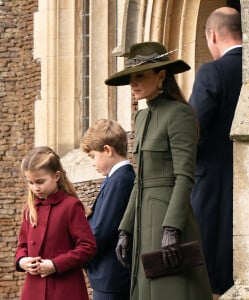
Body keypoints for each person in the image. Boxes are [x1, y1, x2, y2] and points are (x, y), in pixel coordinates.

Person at [105, 41, 212, 300]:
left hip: (167, 218)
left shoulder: (179, 114)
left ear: (161, 75)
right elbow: (140, 180)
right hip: (144, 219)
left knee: (170, 291)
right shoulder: (141, 118)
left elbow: (184, 176)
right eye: (131, 77)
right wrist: (125, 229)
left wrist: (172, 227)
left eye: (140, 75)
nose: (133, 83)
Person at [188, 7, 243, 298]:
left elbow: (191, 132)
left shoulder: (213, 71)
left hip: (213, 190)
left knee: (211, 281)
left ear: (212, 35)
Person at [15, 146, 97, 300]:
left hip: (65, 289)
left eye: (40, 182)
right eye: (30, 183)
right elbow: (22, 246)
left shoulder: (71, 206)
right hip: (33, 289)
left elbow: (88, 247)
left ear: (57, 176)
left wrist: (55, 265)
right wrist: (22, 261)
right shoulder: (30, 209)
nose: (35, 188)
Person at [80, 119, 135, 300]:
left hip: (112, 277)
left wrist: (80, 257)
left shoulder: (120, 180)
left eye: (93, 156)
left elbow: (103, 230)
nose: (92, 163)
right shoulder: (116, 178)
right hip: (108, 276)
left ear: (107, 150)